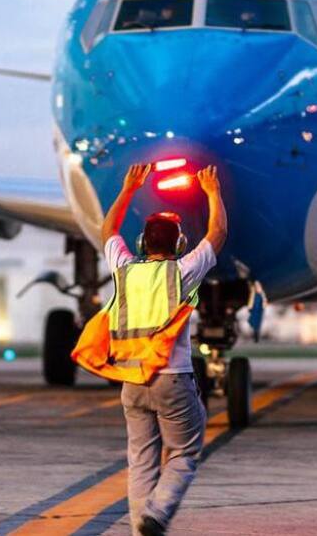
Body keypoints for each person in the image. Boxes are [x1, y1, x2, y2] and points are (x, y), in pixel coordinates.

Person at [93, 163, 227, 536]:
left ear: (142, 244)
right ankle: (157, 512)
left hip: (131, 381)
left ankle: (141, 530)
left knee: (140, 461)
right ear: (179, 244)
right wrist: (212, 191)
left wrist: (128, 188)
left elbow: (107, 231)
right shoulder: (182, 271)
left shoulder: (123, 269)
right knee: (185, 451)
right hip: (173, 380)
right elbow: (217, 233)